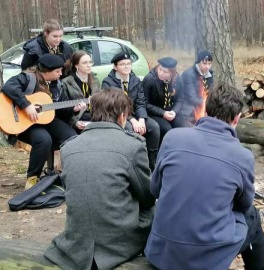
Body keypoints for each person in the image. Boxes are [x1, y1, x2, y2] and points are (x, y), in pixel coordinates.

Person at [145, 83, 264, 270]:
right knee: (252, 215)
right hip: (204, 260)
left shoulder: (172, 137)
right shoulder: (242, 156)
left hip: (161, 253)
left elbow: (155, 189)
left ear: (205, 109)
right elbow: (243, 205)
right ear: (237, 118)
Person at [44, 88, 156, 270]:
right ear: (122, 116)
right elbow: (147, 196)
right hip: (119, 241)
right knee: (155, 209)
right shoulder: (132, 145)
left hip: (76, 240)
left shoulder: (68, 147)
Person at [1, 54, 78, 189]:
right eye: (57, 71)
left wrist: (75, 109)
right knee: (43, 139)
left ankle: (65, 172)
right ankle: (32, 178)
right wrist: (26, 105)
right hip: (23, 122)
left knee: (71, 137)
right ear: (47, 71)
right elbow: (9, 87)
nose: (61, 74)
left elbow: (59, 109)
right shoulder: (27, 78)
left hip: (46, 120)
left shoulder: (57, 85)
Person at [102, 52, 161, 170]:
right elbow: (116, 106)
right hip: (117, 116)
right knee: (129, 129)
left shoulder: (135, 80)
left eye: (128, 64)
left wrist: (142, 119)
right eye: (122, 64)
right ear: (115, 67)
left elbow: (140, 102)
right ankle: (131, 164)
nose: (126, 66)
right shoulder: (108, 82)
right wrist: (133, 120)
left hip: (135, 115)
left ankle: (151, 163)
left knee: (154, 127)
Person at [143, 57, 186, 145]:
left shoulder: (178, 79)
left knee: (182, 126)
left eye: (165, 72)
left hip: (170, 111)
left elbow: (180, 99)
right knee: (167, 130)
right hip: (154, 112)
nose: (161, 73)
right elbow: (145, 103)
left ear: (172, 73)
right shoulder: (149, 79)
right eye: (160, 69)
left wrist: (174, 111)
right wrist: (163, 113)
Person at [60, 50, 99, 133]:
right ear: (76, 65)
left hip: (95, 117)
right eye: (85, 63)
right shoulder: (66, 83)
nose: (89, 65)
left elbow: (101, 103)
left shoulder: (95, 80)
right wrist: (75, 122)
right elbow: (64, 109)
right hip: (78, 118)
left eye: (90, 62)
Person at [180, 50, 214, 124]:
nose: (207, 66)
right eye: (204, 63)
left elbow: (210, 91)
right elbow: (191, 97)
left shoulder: (209, 74)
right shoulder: (188, 74)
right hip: (188, 107)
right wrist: (205, 103)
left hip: (202, 105)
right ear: (198, 63)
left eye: (209, 63)